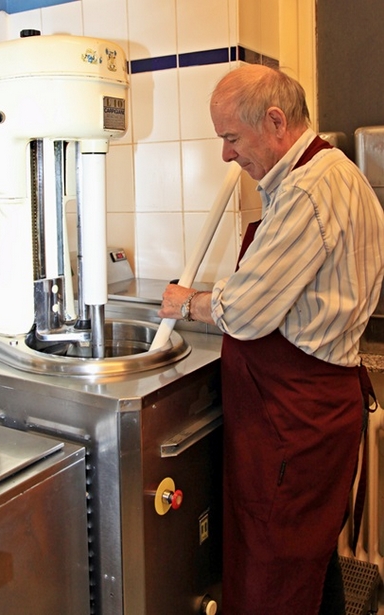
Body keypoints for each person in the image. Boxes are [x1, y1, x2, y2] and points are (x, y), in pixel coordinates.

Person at [158, 64, 384, 615]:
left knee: (272, 576)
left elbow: (247, 311)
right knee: (306, 560)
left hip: (293, 420)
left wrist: (185, 302)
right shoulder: (332, 174)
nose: (226, 155)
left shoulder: (307, 192)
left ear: (276, 121)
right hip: (309, 411)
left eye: (231, 137)